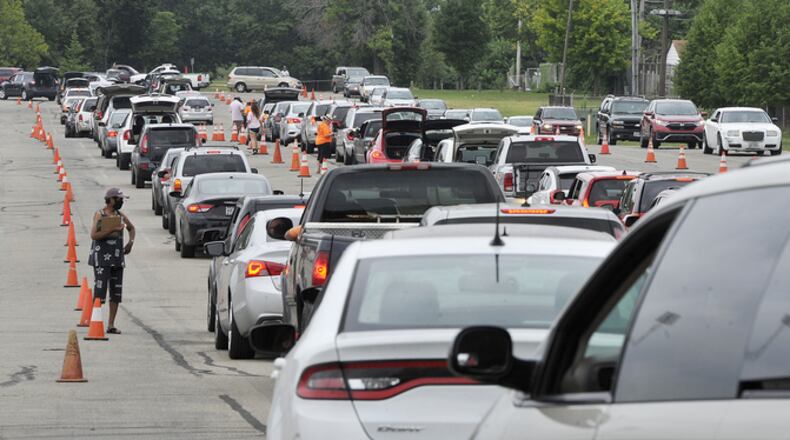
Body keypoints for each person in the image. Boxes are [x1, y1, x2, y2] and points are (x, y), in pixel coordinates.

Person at [88, 188, 135, 334]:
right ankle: (95, 320)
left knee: (116, 292)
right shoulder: (100, 215)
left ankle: (111, 324)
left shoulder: (120, 215)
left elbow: (131, 228)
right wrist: (112, 229)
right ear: (111, 200)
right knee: (100, 291)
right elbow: (94, 235)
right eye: (118, 199)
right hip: (101, 258)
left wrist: (130, 242)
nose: (121, 202)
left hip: (117, 258)